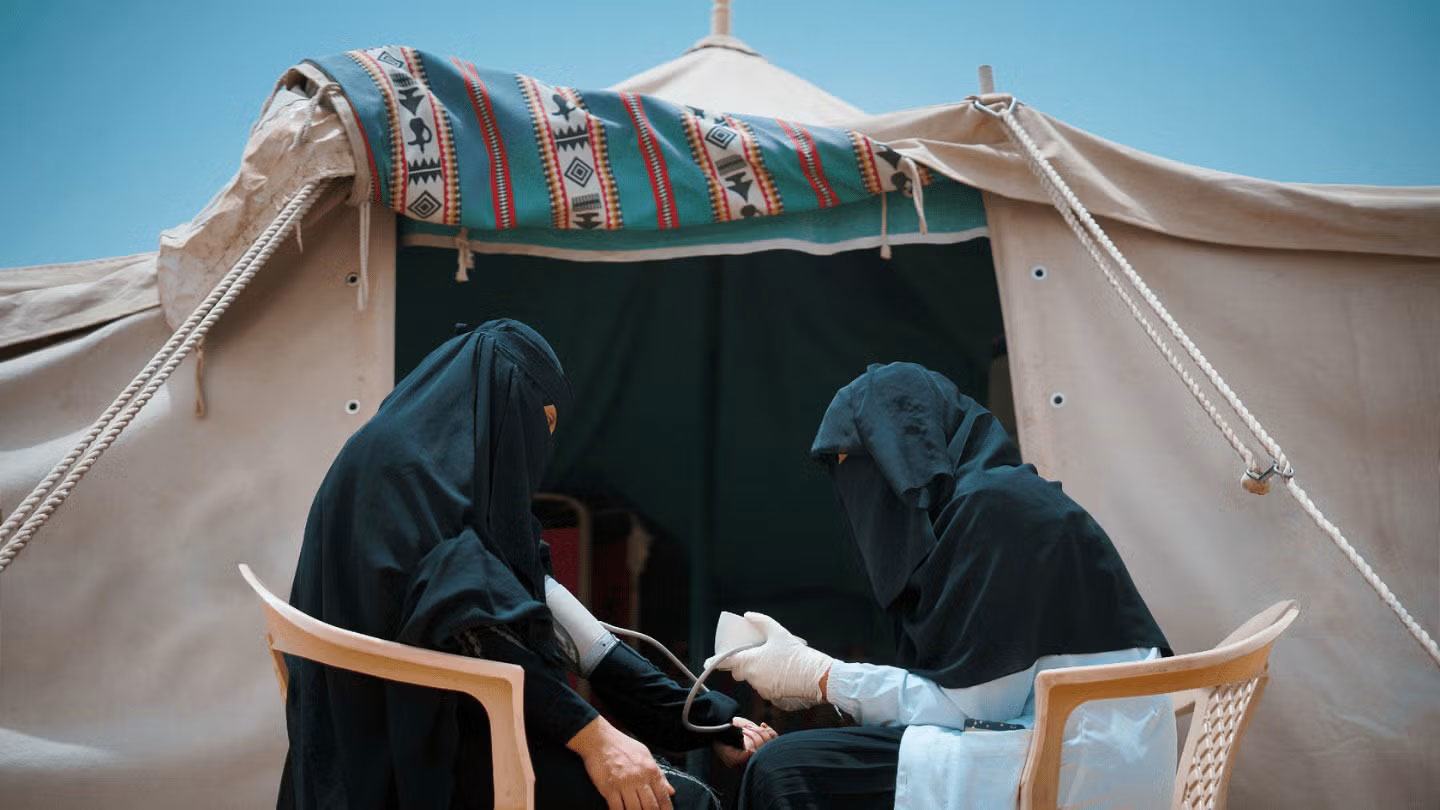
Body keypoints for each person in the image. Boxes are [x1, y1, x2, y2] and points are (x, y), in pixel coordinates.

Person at [280, 319, 774, 810]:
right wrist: (598, 740)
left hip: (396, 728)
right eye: (540, 423)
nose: (537, 448)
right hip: (408, 755)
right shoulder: (408, 479)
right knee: (682, 801)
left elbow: (575, 632)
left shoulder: (416, 464)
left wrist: (708, 719)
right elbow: (478, 633)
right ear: (503, 406)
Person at [714, 362, 1176, 809]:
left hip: (1075, 765)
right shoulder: (978, 512)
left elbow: (974, 705)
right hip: (1040, 742)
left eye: (859, 461)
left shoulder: (999, 513)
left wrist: (821, 676)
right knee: (805, 760)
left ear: (904, 451)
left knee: (786, 769)